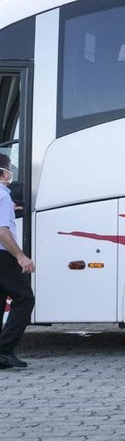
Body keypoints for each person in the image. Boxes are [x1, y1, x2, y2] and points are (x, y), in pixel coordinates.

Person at [0, 154, 35, 371]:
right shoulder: (3, 195)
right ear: (4, 173)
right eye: (9, 169)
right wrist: (21, 256)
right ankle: (5, 350)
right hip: (3, 256)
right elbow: (2, 231)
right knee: (25, 298)